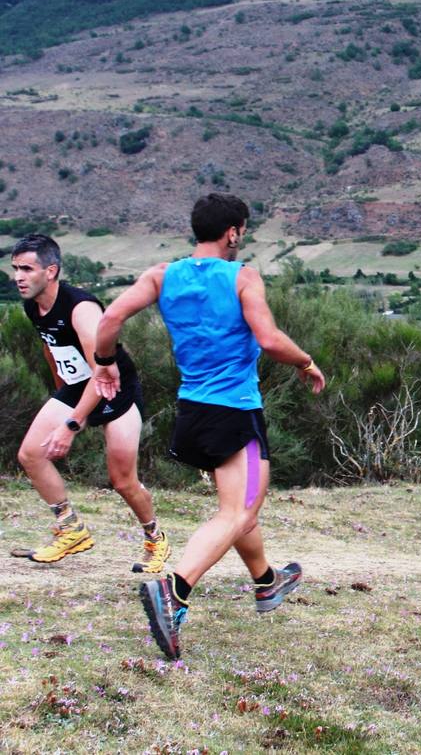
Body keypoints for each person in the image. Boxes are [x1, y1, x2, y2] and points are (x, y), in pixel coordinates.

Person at [93, 194, 326, 661]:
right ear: (233, 232)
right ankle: (174, 591)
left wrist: (104, 363)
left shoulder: (162, 275)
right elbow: (269, 339)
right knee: (238, 512)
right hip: (235, 409)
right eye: (243, 231)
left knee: (239, 507)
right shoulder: (243, 277)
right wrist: (306, 362)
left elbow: (111, 317)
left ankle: (266, 582)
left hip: (192, 409)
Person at [8, 233, 169, 571]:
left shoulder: (82, 309)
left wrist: (71, 424)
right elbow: (51, 348)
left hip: (114, 388)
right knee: (30, 453)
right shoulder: (33, 306)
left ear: (50, 271)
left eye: (26, 269)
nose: (18, 277)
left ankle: (156, 539)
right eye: (15, 269)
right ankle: (72, 529)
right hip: (76, 385)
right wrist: (60, 392)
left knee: (122, 479)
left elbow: (102, 374)